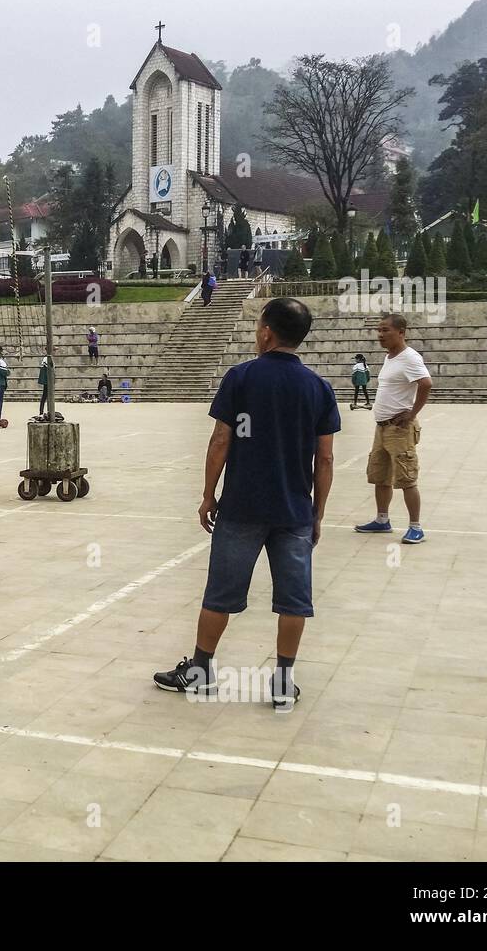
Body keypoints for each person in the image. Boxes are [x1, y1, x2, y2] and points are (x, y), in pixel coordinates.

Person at [153, 298, 340, 712]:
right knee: (294, 599)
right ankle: (283, 681)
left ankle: (200, 672)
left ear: (267, 332)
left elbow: (222, 440)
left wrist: (207, 494)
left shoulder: (241, 377)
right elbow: (324, 459)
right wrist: (318, 513)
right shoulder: (319, 388)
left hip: (241, 507)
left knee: (220, 593)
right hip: (293, 511)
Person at [355, 314, 433, 544]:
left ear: (401, 332)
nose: (380, 334)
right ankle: (382, 519)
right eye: (379, 330)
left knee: (406, 477)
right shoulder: (390, 357)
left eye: (386, 330)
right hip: (382, 428)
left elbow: (426, 384)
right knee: (381, 475)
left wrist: (412, 413)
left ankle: (416, 527)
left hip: (399, 429)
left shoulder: (410, 358)